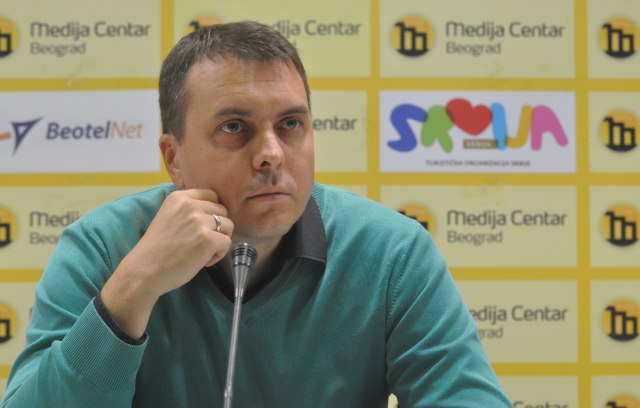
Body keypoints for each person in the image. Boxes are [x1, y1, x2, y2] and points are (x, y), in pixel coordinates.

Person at [1, 21, 512, 407]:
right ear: (173, 158)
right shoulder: (103, 246)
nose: (271, 154)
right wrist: (134, 288)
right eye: (234, 128)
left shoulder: (392, 253)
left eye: (290, 124)